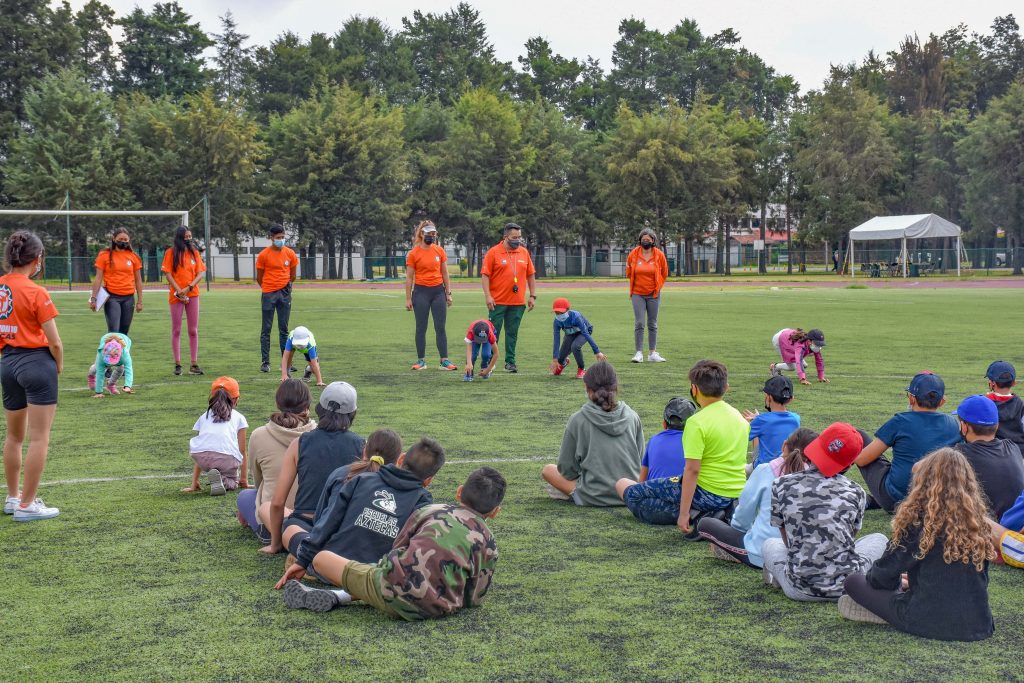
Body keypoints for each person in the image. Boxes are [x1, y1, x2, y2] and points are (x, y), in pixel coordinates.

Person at [278, 467, 505, 621]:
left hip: (388, 590)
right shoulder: (488, 540)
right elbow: (474, 597)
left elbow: (396, 550)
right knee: (396, 583)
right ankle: (339, 596)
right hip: (437, 608)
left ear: (458, 492)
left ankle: (344, 593)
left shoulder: (431, 511)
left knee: (322, 558)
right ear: (495, 512)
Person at [840, 448, 995, 642]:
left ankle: (889, 610)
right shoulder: (978, 522)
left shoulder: (919, 521)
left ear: (924, 481)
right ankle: (896, 602)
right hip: (979, 624)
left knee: (853, 581)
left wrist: (899, 582)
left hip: (928, 620)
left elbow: (880, 578)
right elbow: (975, 580)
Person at [277, 437, 443, 609]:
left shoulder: (361, 479)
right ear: (428, 480)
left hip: (330, 567)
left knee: (294, 532)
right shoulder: (423, 503)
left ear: (401, 459)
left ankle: (339, 592)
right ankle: (349, 594)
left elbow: (327, 523)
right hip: (372, 577)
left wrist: (302, 561)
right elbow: (408, 551)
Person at [762, 423, 887, 601]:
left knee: (770, 544)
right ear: (850, 463)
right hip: (848, 586)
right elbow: (849, 538)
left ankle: (779, 578)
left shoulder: (781, 484)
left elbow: (786, 540)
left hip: (799, 588)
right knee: (879, 539)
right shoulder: (856, 491)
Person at [0, 231, 63, 521]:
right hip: (36, 363)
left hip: (8, 363)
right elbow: (55, 341)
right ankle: (27, 505)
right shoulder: (36, 291)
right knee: (39, 438)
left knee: (14, 437)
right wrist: (58, 365)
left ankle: (13, 498)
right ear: (37, 259)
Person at [261, 382, 364, 555]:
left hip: (304, 523)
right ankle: (327, 552)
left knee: (267, 507)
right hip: (341, 526)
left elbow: (278, 502)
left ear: (319, 408)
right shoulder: (362, 446)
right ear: (352, 414)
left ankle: (306, 550)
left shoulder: (299, 443)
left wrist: (275, 544)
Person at [698, 428, 817, 567]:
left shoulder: (765, 470)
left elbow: (743, 515)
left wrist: (737, 531)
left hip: (760, 554)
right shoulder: (821, 480)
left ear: (784, 445)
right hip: (802, 558)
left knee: (705, 524)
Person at [855, 371, 961, 512]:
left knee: (858, 436)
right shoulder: (953, 424)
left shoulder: (901, 421)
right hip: (935, 501)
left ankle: (830, 488)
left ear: (911, 398)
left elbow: (862, 460)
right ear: (942, 401)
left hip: (895, 500)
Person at [541, 361, 643, 506]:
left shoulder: (578, 419)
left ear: (587, 388)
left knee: (548, 470)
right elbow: (640, 461)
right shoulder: (633, 416)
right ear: (615, 387)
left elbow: (567, 470)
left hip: (592, 495)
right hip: (628, 493)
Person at [676, 360, 749, 537]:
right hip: (737, 492)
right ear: (726, 387)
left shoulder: (696, 422)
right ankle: (720, 515)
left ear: (694, 389)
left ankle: (702, 516)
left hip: (708, 492)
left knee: (635, 495)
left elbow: (692, 470)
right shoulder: (740, 418)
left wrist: (683, 513)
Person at [236, 380, 316, 542]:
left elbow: (259, 482)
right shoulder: (320, 434)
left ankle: (274, 532)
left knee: (246, 496)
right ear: (307, 405)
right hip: (312, 518)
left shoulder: (259, 435)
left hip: (273, 518)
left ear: (278, 402)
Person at [615, 398, 697, 524]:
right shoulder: (697, 443)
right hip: (688, 509)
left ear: (664, 423)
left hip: (652, 508)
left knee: (621, 483)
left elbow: (641, 484)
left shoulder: (654, 440)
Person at [953, 394, 1024, 519]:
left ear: (964, 427)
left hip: (984, 533)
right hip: (1013, 531)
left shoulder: (958, 456)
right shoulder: (1012, 447)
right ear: (996, 425)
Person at [481, 223, 536, 373]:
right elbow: (485, 276)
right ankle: (490, 362)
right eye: (514, 237)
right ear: (505, 237)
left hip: (517, 302)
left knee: (512, 333)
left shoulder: (524, 253)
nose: (517, 240)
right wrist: (488, 296)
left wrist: (532, 295)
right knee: (493, 334)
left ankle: (510, 362)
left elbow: (530, 274)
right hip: (497, 302)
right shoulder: (493, 252)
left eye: (519, 237)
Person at [180, 377, 248, 496]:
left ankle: (216, 476)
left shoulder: (204, 416)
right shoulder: (239, 417)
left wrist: (194, 482)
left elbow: (202, 443)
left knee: (207, 447)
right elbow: (242, 450)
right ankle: (225, 480)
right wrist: (244, 480)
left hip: (201, 457)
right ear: (236, 399)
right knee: (233, 481)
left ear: (213, 397)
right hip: (226, 459)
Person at [405, 220, 456, 371]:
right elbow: (409, 277)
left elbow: (445, 273)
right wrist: (408, 298)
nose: (432, 237)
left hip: (438, 292)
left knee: (440, 327)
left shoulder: (439, 251)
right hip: (420, 293)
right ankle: (421, 361)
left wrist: (448, 293)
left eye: (434, 234)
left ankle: (444, 361)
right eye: (429, 234)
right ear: (422, 234)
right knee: (421, 327)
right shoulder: (413, 253)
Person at [162, 226, 205, 376]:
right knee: (177, 330)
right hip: (176, 295)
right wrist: (178, 290)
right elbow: (168, 273)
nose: (188, 239)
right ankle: (178, 364)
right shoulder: (170, 253)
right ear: (179, 237)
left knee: (193, 330)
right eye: (186, 236)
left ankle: (194, 364)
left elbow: (200, 273)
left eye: (190, 236)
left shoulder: (194, 253)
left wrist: (189, 287)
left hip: (192, 294)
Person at [256, 225, 297, 373]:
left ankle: (286, 363)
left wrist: (285, 287)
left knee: (284, 329)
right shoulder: (263, 255)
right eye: (278, 237)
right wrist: (268, 288)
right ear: (271, 237)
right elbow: (259, 277)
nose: (281, 240)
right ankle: (265, 362)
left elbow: (293, 275)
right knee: (266, 329)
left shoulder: (290, 253)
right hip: (268, 293)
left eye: (282, 237)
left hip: (284, 293)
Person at [626, 227, 669, 363]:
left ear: (653, 241)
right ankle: (639, 353)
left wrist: (657, 287)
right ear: (640, 240)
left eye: (648, 240)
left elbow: (665, 273)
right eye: (643, 239)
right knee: (639, 323)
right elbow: (628, 272)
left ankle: (652, 353)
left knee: (652, 323)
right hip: (637, 293)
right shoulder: (633, 254)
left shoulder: (659, 255)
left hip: (654, 294)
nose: (645, 241)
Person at [89, 227, 143, 335]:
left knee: (124, 333)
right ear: (114, 239)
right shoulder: (104, 255)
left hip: (129, 298)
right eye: (120, 239)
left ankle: (123, 352)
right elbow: (98, 278)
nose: (123, 241)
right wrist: (93, 298)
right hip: (112, 298)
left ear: (129, 240)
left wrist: (140, 301)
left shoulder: (134, 257)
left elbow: (138, 280)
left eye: (125, 239)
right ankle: (111, 352)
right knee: (114, 332)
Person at [743, 375, 800, 470]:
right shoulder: (796, 418)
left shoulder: (761, 420)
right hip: (786, 467)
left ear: (768, 397)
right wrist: (758, 419)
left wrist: (747, 423)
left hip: (764, 469)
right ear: (791, 399)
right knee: (761, 432)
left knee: (738, 468)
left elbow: (741, 436)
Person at [548, 298, 606, 379]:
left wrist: (597, 351)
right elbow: (556, 339)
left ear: (567, 310)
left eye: (561, 312)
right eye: (556, 312)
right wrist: (555, 358)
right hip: (570, 333)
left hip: (584, 332)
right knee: (560, 359)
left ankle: (581, 369)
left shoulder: (576, 317)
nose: (559, 315)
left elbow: (586, 333)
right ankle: (564, 362)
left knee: (575, 346)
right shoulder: (557, 321)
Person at [984, 360, 1024, 455]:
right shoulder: (1021, 404)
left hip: (994, 453)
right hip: (1019, 453)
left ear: (991, 383)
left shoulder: (984, 403)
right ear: (1014, 383)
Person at [88, 333, 134, 397]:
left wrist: (127, 386)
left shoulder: (125, 355)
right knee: (97, 367)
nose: (111, 363)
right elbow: (100, 373)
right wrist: (99, 393)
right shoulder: (101, 354)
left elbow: (129, 370)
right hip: (105, 346)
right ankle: (91, 376)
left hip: (124, 345)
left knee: (121, 368)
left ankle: (110, 385)